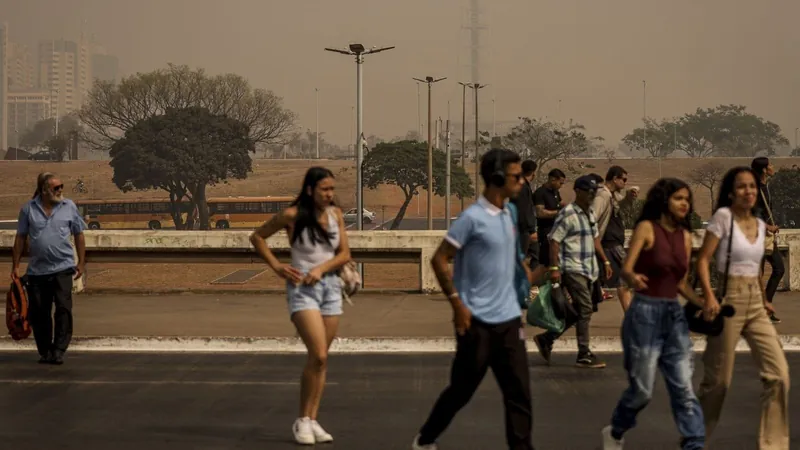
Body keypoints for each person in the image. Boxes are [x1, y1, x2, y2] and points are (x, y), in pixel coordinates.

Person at [412, 148, 535, 450]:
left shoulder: (510, 213)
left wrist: (530, 279)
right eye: (516, 176)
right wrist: (457, 304)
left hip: (508, 321)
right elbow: (440, 259)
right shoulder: (472, 218)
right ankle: (425, 439)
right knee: (461, 390)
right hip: (476, 322)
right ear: (496, 178)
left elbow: (511, 260)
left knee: (519, 394)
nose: (521, 181)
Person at [250, 167, 352, 445]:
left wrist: (322, 269)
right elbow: (258, 237)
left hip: (331, 288)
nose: (329, 194)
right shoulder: (291, 216)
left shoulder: (336, 215)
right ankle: (301, 420)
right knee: (317, 354)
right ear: (310, 190)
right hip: (302, 291)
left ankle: (312, 419)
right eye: (324, 190)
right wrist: (277, 267)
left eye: (332, 189)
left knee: (321, 359)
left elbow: (344, 253)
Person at [601, 178, 705, 450]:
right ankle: (615, 430)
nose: (685, 204)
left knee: (683, 387)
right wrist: (633, 278)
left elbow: (680, 282)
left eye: (687, 199)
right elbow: (625, 269)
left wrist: (704, 303)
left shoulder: (684, 236)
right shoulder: (647, 229)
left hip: (674, 316)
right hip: (645, 314)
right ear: (663, 201)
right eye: (678, 198)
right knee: (642, 391)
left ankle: (694, 441)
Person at [695, 166, 790, 449]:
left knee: (779, 376)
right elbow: (702, 260)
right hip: (729, 300)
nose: (748, 191)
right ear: (730, 192)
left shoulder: (760, 225)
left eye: (751, 186)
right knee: (718, 382)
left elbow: (757, 268)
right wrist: (710, 297)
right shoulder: (723, 219)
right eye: (741, 187)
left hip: (755, 303)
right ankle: (695, 437)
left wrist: (764, 299)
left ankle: (773, 444)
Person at [532, 175, 612, 369]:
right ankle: (583, 353)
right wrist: (554, 269)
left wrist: (605, 261)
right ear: (578, 191)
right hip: (572, 268)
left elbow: (595, 240)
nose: (591, 195)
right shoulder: (567, 214)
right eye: (588, 192)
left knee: (580, 311)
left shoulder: (589, 214)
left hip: (589, 269)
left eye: (594, 192)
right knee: (584, 308)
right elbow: (554, 241)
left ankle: (547, 338)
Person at [11, 172, 86, 365]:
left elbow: (79, 234)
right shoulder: (28, 209)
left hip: (63, 268)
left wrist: (81, 263)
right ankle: (45, 350)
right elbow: (20, 237)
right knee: (40, 313)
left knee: (63, 308)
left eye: (61, 186)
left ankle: (59, 349)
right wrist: (16, 265)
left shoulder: (69, 206)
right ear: (44, 190)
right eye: (56, 188)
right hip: (38, 271)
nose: (60, 190)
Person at [592, 166, 638, 309]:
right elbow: (592, 218)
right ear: (615, 178)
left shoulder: (613, 195)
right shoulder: (602, 195)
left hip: (611, 243)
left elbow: (622, 205)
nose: (625, 183)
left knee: (622, 281)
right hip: (609, 244)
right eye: (623, 179)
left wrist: (630, 197)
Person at [751, 156, 783, 323]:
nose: (772, 166)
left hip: (766, 237)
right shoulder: (756, 189)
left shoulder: (765, 187)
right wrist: (767, 226)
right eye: (770, 164)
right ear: (764, 169)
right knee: (764, 272)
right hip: (758, 236)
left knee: (774, 270)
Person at [511, 159, 546, 284]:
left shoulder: (521, 186)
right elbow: (524, 211)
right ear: (533, 173)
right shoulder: (523, 188)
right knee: (522, 257)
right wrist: (531, 230)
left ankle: (529, 283)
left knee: (533, 255)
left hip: (522, 228)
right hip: (524, 230)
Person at [532, 169, 566, 272]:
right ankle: (536, 283)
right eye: (560, 183)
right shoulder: (540, 193)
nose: (561, 185)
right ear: (552, 180)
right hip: (546, 231)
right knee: (546, 262)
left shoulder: (555, 192)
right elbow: (540, 213)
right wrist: (558, 212)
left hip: (557, 230)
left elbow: (560, 204)